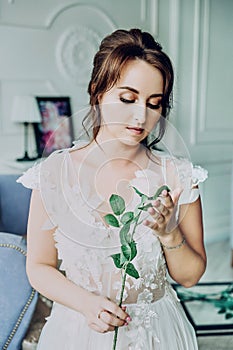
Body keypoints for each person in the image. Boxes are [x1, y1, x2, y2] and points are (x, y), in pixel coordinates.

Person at [18, 28, 208, 349]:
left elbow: (190, 276)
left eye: (154, 104)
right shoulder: (54, 173)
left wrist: (168, 233)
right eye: (127, 98)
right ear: (98, 91)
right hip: (76, 332)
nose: (140, 116)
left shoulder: (177, 175)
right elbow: (38, 266)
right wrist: (86, 304)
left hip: (157, 334)